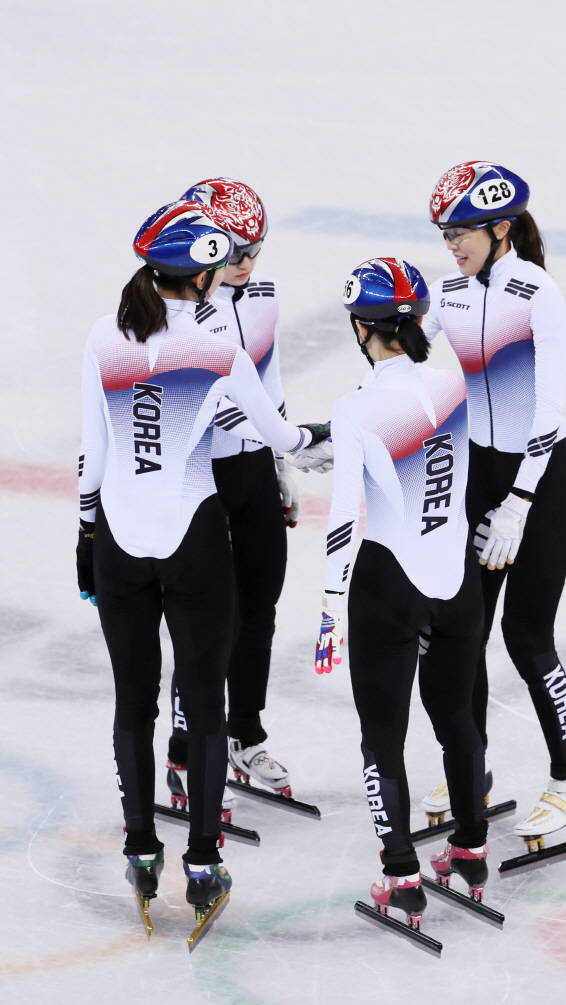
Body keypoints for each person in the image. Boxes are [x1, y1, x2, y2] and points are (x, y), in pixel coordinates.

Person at [76, 198, 330, 920]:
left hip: (121, 546)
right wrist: (330, 431)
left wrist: (86, 539)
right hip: (193, 542)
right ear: (204, 277)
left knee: (134, 704)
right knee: (206, 708)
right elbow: (278, 434)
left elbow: (94, 452)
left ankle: (140, 848)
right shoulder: (220, 343)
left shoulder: (102, 334)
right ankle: (203, 861)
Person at [421, 161, 566, 846]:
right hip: (479, 475)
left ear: (501, 227)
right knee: (461, 632)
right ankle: (473, 770)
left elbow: (547, 411)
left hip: (543, 484)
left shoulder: (538, 293)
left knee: (527, 638)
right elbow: (405, 347)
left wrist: (520, 501)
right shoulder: (452, 289)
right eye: (444, 232)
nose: (452, 243)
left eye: (462, 230)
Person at [315, 258, 489, 930]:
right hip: (457, 583)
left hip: (389, 584)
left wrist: (332, 601)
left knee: (382, 737)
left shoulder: (355, 406)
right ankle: (470, 851)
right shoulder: (453, 385)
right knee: (458, 723)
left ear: (364, 329)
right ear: (417, 322)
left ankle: (401, 874)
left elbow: (341, 514)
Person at [161, 178, 331, 817]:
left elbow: (271, 378)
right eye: (233, 250)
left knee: (259, 605)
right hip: (201, 477)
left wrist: (282, 462)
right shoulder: (173, 309)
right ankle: (183, 748)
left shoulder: (263, 293)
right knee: (205, 622)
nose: (245, 264)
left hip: (254, 468)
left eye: (255, 249)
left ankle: (245, 734)